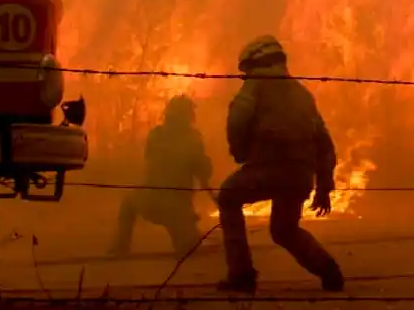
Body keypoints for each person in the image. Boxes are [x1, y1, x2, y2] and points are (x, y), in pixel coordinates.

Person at [215, 35, 344, 294]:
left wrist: (239, 152)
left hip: (267, 168)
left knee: (228, 197)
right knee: (284, 230)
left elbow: (237, 121)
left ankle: (241, 275)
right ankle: (328, 269)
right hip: (300, 174)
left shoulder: (256, 85)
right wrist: (323, 185)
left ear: (254, 63)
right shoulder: (302, 93)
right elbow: (324, 143)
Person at [108, 94, 212, 259]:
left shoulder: (156, 134)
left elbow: (149, 163)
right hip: (176, 207)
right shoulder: (193, 138)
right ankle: (190, 236)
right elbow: (203, 172)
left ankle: (121, 246)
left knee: (128, 203)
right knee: (191, 250)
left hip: (150, 200)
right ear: (189, 116)